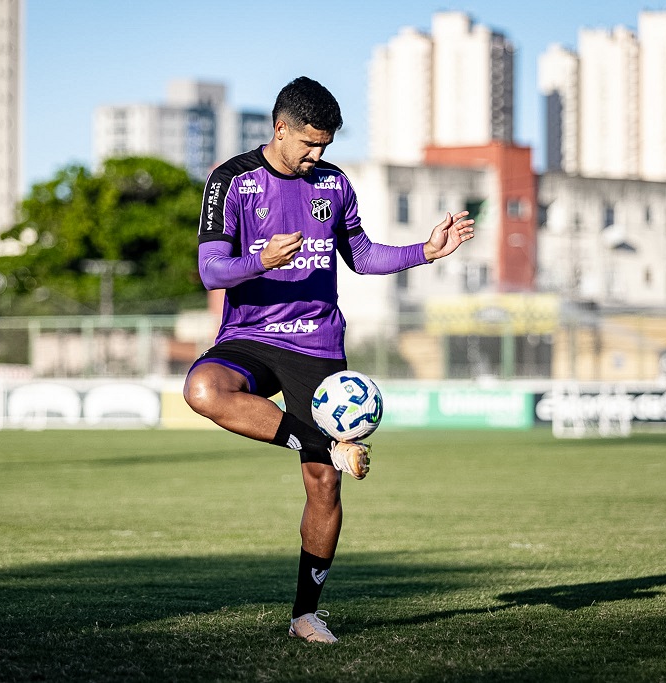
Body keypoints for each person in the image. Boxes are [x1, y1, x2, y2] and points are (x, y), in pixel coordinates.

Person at [183, 76, 474, 644]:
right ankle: (328, 444)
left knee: (323, 485)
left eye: (325, 146)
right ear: (280, 128)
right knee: (203, 390)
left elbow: (361, 255)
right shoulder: (232, 180)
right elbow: (211, 270)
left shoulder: (334, 183)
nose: (317, 155)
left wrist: (425, 251)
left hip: (316, 344)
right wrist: (259, 260)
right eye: (309, 144)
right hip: (251, 335)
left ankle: (305, 615)